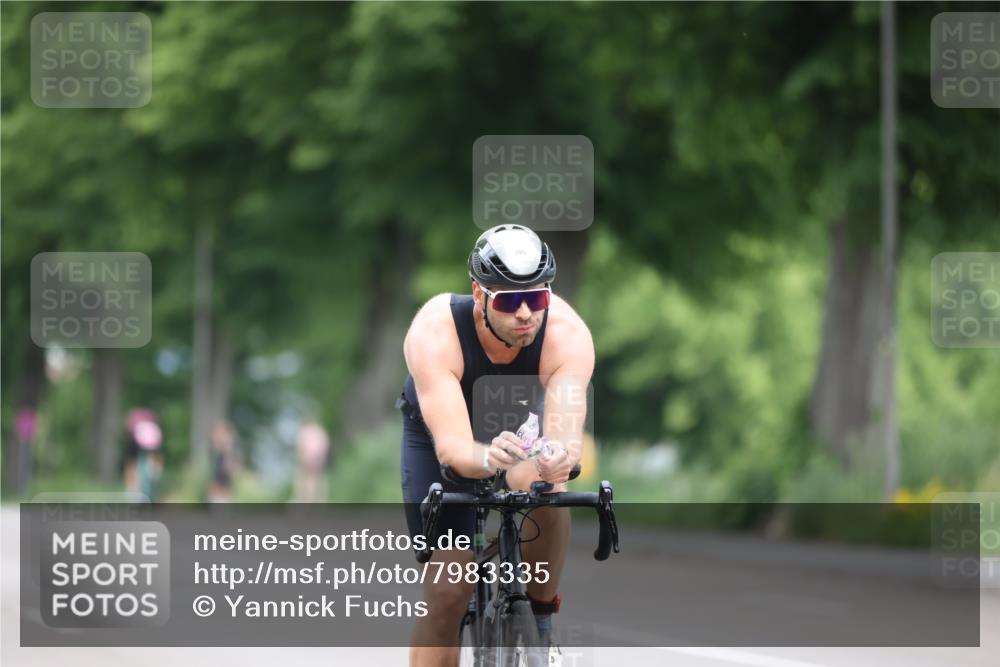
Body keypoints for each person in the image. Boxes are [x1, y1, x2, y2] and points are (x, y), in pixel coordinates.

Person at [398, 224, 594, 667]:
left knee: (548, 486)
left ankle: (540, 620)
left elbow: (564, 433)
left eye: (537, 298)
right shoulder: (436, 331)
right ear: (479, 293)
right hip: (440, 440)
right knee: (449, 592)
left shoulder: (567, 334)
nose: (526, 313)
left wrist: (560, 457)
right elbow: (453, 450)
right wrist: (485, 456)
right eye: (509, 300)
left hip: (519, 433)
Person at [293, 418, 331, 503]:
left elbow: (300, 446)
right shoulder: (320, 432)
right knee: (317, 479)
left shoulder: (305, 431)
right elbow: (326, 446)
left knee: (304, 479)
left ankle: (303, 499)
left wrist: (301, 457)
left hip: (307, 458)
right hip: (319, 459)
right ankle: (318, 500)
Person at [208, 419, 240, 503]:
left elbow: (230, 471)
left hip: (224, 493)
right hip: (216, 492)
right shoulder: (218, 452)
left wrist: (228, 449)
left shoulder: (231, 451)